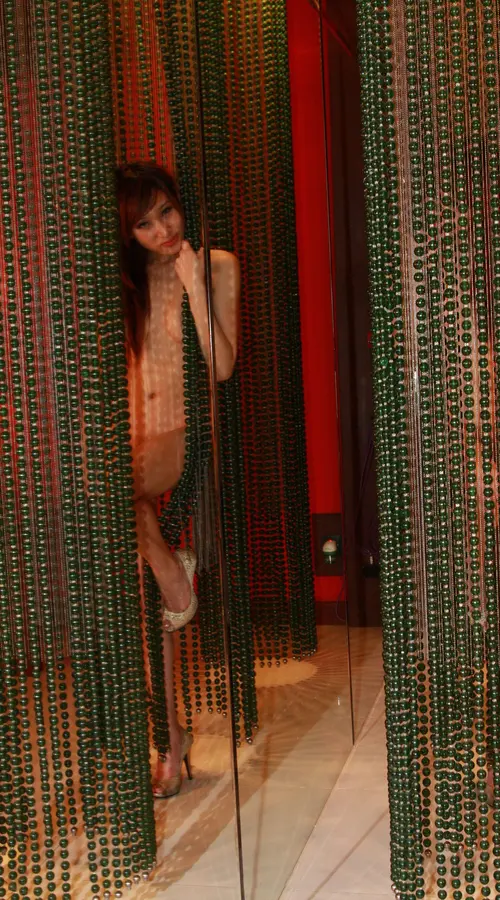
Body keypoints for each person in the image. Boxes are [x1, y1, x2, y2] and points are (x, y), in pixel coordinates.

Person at [116, 162, 240, 798]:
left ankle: (171, 571)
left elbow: (220, 366)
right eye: (144, 223)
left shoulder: (215, 265)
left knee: (108, 492)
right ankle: (169, 742)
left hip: (184, 436)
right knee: (145, 606)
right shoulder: (125, 283)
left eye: (167, 211)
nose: (162, 229)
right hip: (137, 440)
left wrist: (193, 286)